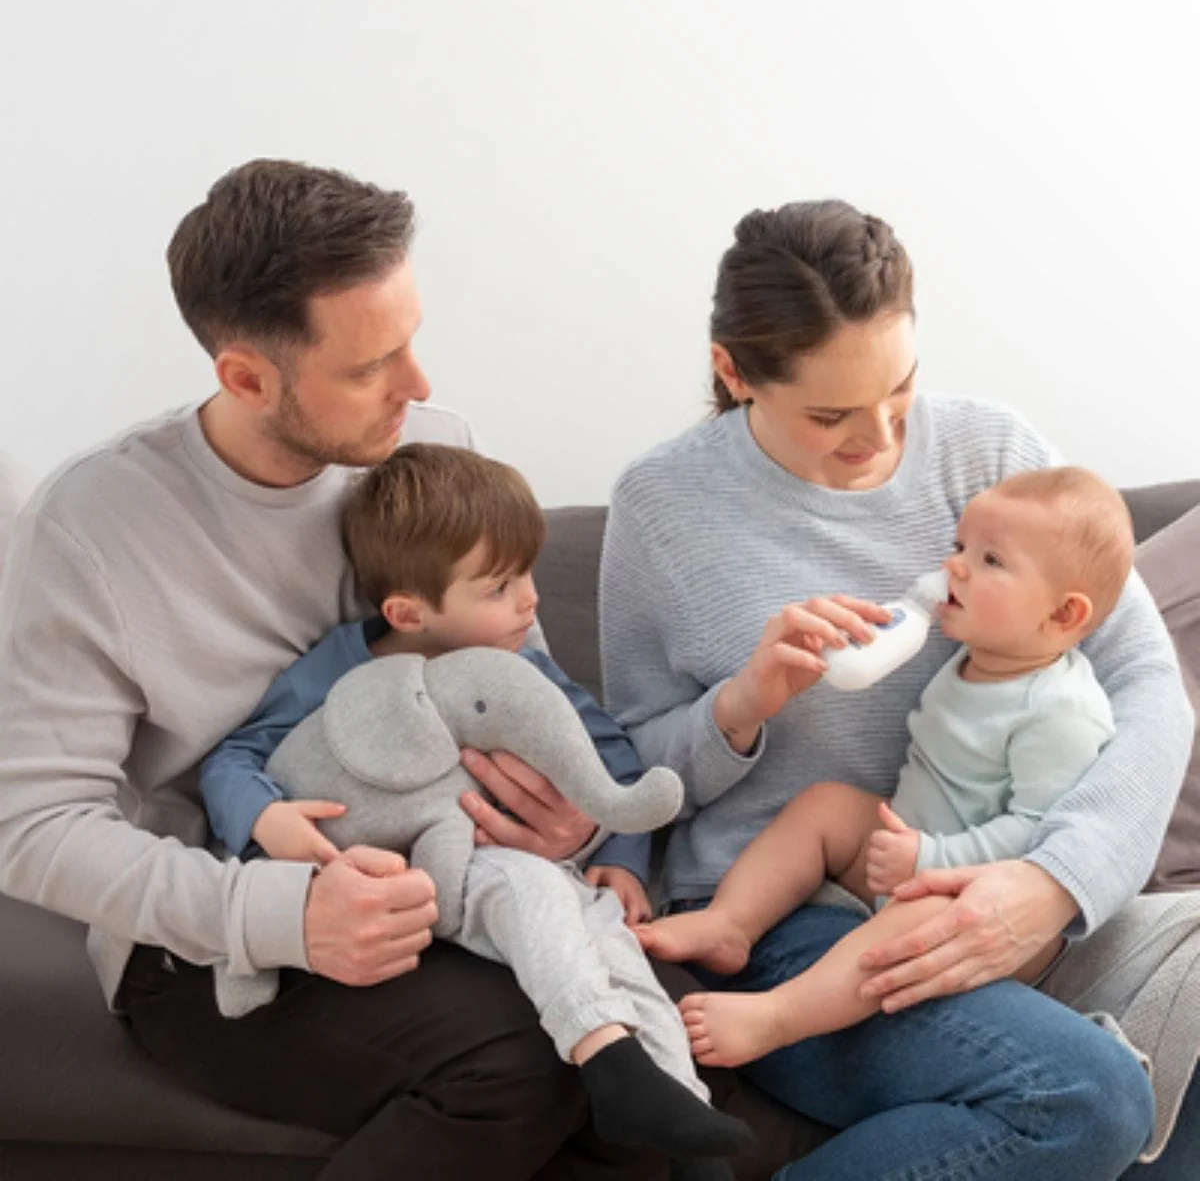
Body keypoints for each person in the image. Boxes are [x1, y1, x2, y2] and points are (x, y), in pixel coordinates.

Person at [0, 158, 709, 1181]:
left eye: (412, 339)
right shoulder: (94, 526)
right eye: (373, 363)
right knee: (524, 1068)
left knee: (651, 1083)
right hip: (213, 937)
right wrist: (281, 917)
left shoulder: (433, 449)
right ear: (247, 378)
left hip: (456, 881)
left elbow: (522, 691)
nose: (418, 385)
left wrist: (576, 824)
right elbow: (30, 827)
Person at [598, 199, 1197, 1179]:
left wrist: (1055, 883)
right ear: (734, 373)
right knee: (1086, 1099)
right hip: (784, 914)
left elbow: (1148, 683)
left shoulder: (992, 455)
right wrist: (742, 704)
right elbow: (628, 772)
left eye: (900, 388)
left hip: (983, 874)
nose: (878, 437)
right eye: (830, 415)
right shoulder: (663, 504)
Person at [199, 442, 751, 1176]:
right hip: (409, 892)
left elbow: (606, 758)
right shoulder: (336, 671)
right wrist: (268, 820)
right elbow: (232, 759)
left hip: (513, 880)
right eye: (499, 586)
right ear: (408, 612)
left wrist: (620, 858)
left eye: (528, 573)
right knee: (529, 907)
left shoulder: (526, 667)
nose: (530, 601)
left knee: (613, 948)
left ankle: (682, 1121)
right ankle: (613, 1064)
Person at [636, 466, 1135, 1067]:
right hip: (908, 849)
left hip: (983, 904)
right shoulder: (979, 657)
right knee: (825, 806)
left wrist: (931, 859)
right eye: (959, 547)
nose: (954, 567)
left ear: (1063, 615)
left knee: (918, 918)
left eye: (991, 560)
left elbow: (1038, 832)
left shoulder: (1060, 708)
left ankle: (778, 1016)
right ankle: (729, 923)